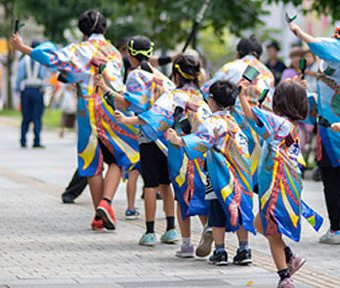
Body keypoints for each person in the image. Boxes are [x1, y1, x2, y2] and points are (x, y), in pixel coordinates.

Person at [11, 9, 140, 231]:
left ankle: (99, 215)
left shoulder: (80, 50)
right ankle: (106, 203)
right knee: (121, 156)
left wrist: (22, 47)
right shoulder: (114, 53)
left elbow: (54, 60)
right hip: (111, 108)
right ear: (105, 29)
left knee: (91, 163)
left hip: (87, 112)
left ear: (82, 31)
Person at [113, 55, 212, 257]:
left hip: (178, 149)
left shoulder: (173, 95)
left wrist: (126, 120)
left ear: (176, 74)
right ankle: (209, 229)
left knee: (182, 195)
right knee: (200, 191)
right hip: (201, 150)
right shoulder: (203, 96)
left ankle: (186, 244)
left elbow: (154, 117)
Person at [95, 35, 178, 245]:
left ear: (130, 54)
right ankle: (171, 229)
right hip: (166, 138)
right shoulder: (162, 77)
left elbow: (126, 103)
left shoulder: (135, 76)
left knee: (150, 185)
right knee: (165, 184)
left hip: (148, 137)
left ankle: (150, 232)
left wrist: (105, 89)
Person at [201, 35, 275, 264]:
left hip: (226, 136)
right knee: (244, 192)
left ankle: (220, 246)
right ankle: (244, 248)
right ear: (259, 55)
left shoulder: (229, 68)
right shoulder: (268, 73)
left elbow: (206, 91)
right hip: (256, 139)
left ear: (238, 53)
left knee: (218, 188)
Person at [166, 80, 255, 266]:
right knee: (239, 210)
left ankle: (220, 251)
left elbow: (201, 141)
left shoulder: (212, 123)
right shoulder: (235, 121)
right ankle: (244, 249)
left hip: (218, 176)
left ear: (211, 101)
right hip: (242, 175)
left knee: (216, 212)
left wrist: (178, 140)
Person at [239, 80, 308, 288]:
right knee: (260, 223)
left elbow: (251, 115)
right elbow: (265, 128)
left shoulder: (280, 124)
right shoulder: (293, 127)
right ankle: (290, 256)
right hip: (283, 186)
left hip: (275, 187)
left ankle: (285, 277)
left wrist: (242, 95)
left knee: (271, 231)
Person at [289, 23, 340, 244]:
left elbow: (319, 44)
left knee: (331, 179)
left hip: (331, 131)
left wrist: (298, 31)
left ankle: (337, 229)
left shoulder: (334, 53)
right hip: (329, 125)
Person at [15, 40, 47, 148]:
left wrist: (17, 90)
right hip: (37, 90)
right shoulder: (41, 61)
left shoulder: (24, 60)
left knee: (26, 116)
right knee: (37, 117)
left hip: (26, 90)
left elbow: (19, 77)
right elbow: (43, 76)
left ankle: (23, 140)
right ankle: (36, 141)